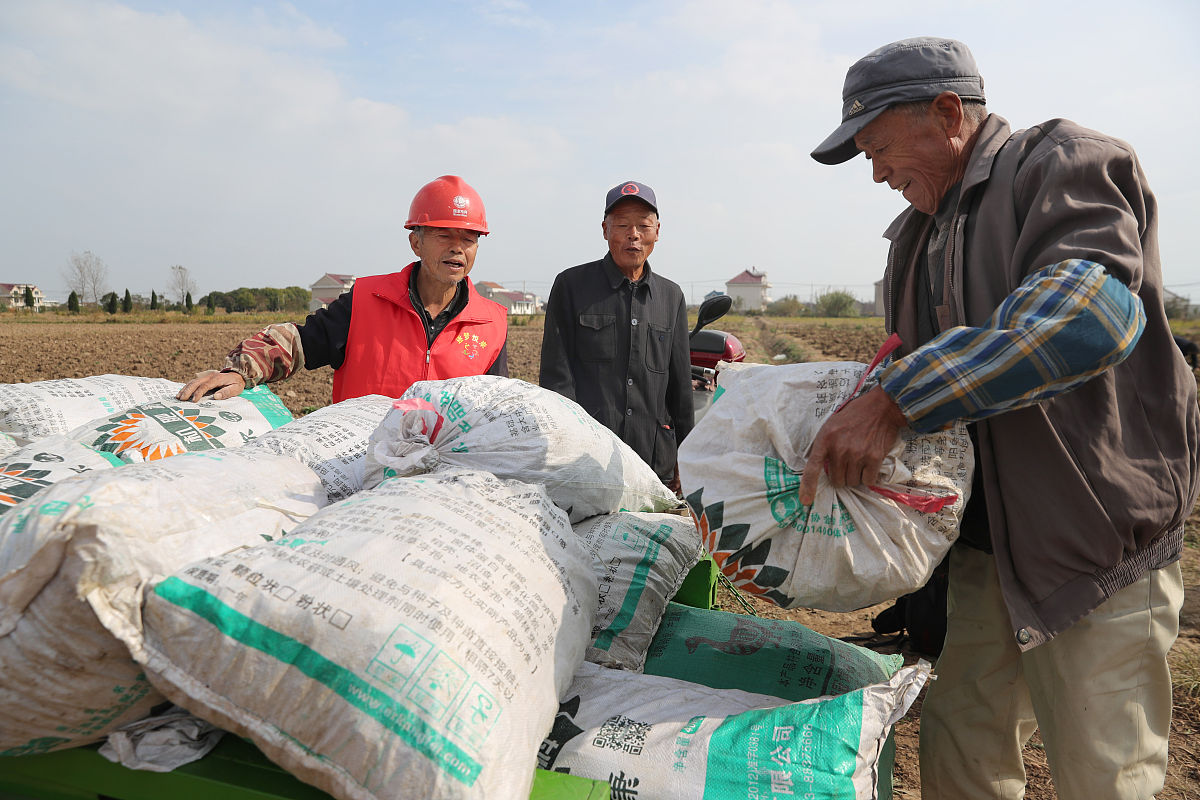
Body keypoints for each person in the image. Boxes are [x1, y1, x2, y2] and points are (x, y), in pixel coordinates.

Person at [803, 37, 1198, 799]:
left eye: (879, 149)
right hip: (978, 553)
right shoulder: (916, 237)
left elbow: (1089, 315)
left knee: (1103, 773)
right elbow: (908, 365)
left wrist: (898, 400)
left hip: (1090, 547)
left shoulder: (1060, 164)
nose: (877, 173)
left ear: (948, 113)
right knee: (962, 759)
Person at [177, 175, 508, 404]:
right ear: (416, 243)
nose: (457, 248)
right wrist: (240, 372)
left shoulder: (492, 324)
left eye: (469, 238)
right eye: (444, 236)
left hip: (442, 482)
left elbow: (497, 409)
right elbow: (299, 342)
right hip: (359, 474)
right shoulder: (366, 301)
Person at [539, 180, 693, 491]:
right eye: (622, 224)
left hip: (654, 464)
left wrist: (687, 458)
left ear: (657, 232)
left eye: (642, 225)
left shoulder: (671, 296)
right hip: (588, 461)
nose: (633, 234)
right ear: (605, 229)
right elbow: (557, 379)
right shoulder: (571, 286)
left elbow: (680, 390)